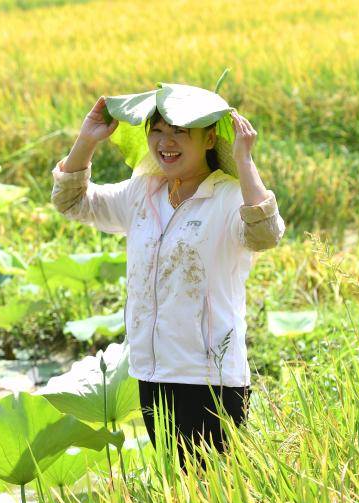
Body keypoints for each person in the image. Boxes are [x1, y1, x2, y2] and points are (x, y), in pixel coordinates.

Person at [49, 84, 286, 470]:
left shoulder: (228, 197)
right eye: (157, 130)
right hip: (152, 371)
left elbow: (266, 234)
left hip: (210, 377)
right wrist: (86, 140)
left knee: (215, 494)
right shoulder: (144, 192)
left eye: (179, 131)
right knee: (181, 494)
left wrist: (244, 161)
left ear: (210, 137)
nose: (166, 142)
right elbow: (71, 201)